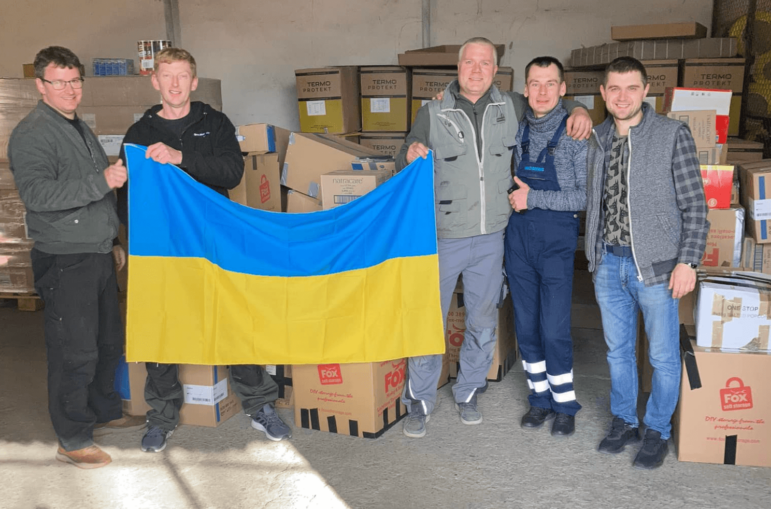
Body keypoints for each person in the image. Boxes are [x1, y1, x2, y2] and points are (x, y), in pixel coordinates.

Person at [395, 37, 593, 438]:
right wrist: (409, 151)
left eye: (486, 63)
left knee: (483, 321)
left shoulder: (512, 106)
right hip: (444, 236)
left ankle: (468, 391)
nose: (477, 69)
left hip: (492, 238)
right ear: (458, 66)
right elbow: (404, 155)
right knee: (427, 321)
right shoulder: (432, 112)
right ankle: (419, 399)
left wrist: (581, 109)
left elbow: (549, 104)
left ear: (496, 70)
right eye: (470, 62)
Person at [116, 48, 291, 452]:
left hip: (213, 244)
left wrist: (180, 158)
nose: (174, 84)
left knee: (231, 320)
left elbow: (231, 172)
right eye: (167, 76)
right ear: (155, 81)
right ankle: (161, 415)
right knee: (162, 329)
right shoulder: (139, 134)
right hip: (162, 251)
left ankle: (259, 405)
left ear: (193, 83)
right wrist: (128, 240)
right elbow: (126, 196)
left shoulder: (214, 124)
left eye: (182, 76)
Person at [8, 46, 138, 469]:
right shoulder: (33, 133)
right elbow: (38, 195)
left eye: (75, 81)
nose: (70, 90)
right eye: (60, 82)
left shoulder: (76, 126)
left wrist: (113, 242)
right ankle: (73, 436)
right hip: (66, 258)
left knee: (105, 342)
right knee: (74, 350)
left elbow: (96, 198)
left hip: (96, 253)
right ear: (40, 85)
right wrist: (101, 178)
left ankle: (101, 412)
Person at [585, 57, 708, 469]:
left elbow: (695, 206)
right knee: (618, 353)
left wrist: (688, 262)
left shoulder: (672, 134)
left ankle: (657, 428)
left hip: (656, 269)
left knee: (662, 357)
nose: (622, 97)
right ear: (603, 93)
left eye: (631, 88)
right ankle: (624, 421)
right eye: (614, 89)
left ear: (646, 90)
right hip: (608, 266)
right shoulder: (598, 138)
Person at [505, 57, 587, 437]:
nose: (542, 91)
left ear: (563, 89)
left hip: (555, 238)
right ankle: (539, 399)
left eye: (550, 83)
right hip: (518, 239)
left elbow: (583, 197)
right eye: (535, 83)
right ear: (525, 89)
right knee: (526, 325)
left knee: (553, 328)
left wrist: (533, 198)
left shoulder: (575, 133)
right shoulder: (516, 126)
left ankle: (565, 404)